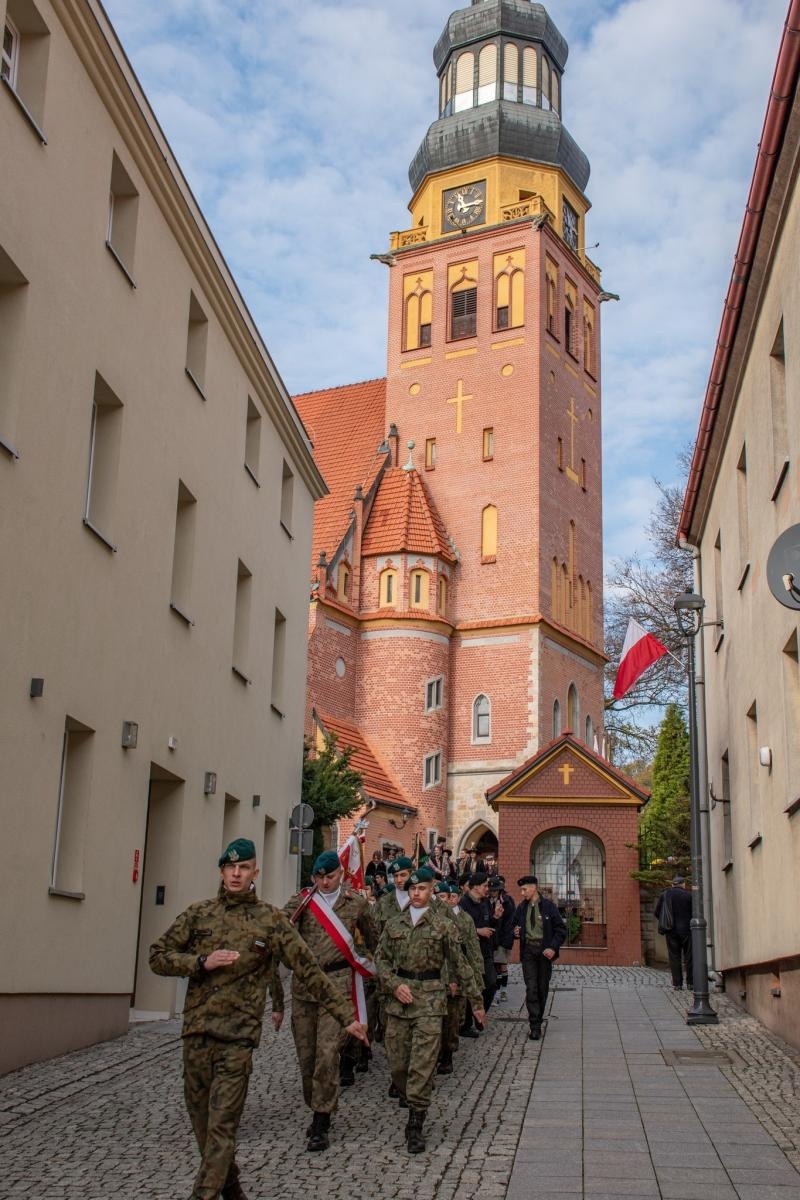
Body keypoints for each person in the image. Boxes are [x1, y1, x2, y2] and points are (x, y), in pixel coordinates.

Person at [149, 838, 367, 1200]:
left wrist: (346, 1016)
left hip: (237, 1039)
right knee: (204, 1128)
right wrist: (200, 962)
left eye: (244, 867)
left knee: (222, 1128)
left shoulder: (271, 920)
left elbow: (309, 969)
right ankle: (232, 1190)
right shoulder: (199, 913)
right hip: (197, 1036)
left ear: (254, 872)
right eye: (230, 868)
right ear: (221, 871)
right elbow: (158, 956)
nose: (236, 874)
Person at [375, 867, 485, 1153]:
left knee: (422, 1066)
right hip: (400, 1002)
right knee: (398, 1065)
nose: (416, 893)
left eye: (421, 889)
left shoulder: (443, 926)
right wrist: (394, 984)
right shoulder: (394, 925)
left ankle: (415, 1123)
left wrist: (476, 1001)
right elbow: (381, 961)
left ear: (430, 889)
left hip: (431, 1004)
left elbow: (460, 965)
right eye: (412, 890)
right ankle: (408, 1094)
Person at [284, 849, 378, 1151]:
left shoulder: (356, 904)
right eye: (319, 877)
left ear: (341, 874)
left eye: (331, 876)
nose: (325, 882)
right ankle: (315, 1103)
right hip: (305, 989)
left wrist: (375, 968)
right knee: (307, 1056)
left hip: (338, 987)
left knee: (327, 1054)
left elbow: (374, 940)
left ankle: (322, 1118)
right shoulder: (300, 903)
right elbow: (280, 935)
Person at [437, 882, 484, 1074]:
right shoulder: (432, 919)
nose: (441, 901)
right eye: (438, 897)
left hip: (456, 976)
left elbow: (470, 949)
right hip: (436, 980)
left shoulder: (463, 920)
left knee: (451, 1021)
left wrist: (476, 974)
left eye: (444, 897)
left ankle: (447, 1055)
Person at [513, 874, 566, 1040]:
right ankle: (534, 1025)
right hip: (528, 951)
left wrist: (552, 947)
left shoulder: (548, 907)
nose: (522, 893)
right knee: (531, 988)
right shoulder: (522, 908)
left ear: (533, 887)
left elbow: (561, 930)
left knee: (542, 988)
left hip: (544, 953)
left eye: (524, 889)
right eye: (521, 890)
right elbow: (514, 926)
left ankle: (538, 1019)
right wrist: (515, 931)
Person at [458, 872, 499, 1031]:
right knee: (471, 988)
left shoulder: (485, 902)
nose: (487, 888)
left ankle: (479, 1015)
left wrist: (495, 917)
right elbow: (459, 928)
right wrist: (477, 931)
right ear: (475, 887)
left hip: (486, 952)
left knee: (491, 984)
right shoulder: (463, 904)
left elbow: (489, 924)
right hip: (470, 954)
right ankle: (466, 1024)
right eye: (485, 885)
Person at [655, 873, 694, 991]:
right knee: (689, 956)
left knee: (674, 957)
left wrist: (666, 922)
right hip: (687, 930)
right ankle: (691, 983)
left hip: (671, 931)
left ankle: (677, 984)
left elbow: (657, 912)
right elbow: (695, 913)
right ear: (683, 884)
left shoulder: (665, 895)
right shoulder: (689, 895)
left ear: (672, 885)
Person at [489, 876, 515, 1003]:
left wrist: (506, 941)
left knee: (500, 965)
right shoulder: (486, 901)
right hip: (491, 939)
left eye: (495, 890)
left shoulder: (507, 901)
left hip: (502, 939)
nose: (492, 893)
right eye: (491, 890)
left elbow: (510, 922)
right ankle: (497, 992)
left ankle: (501, 991)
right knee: (494, 966)